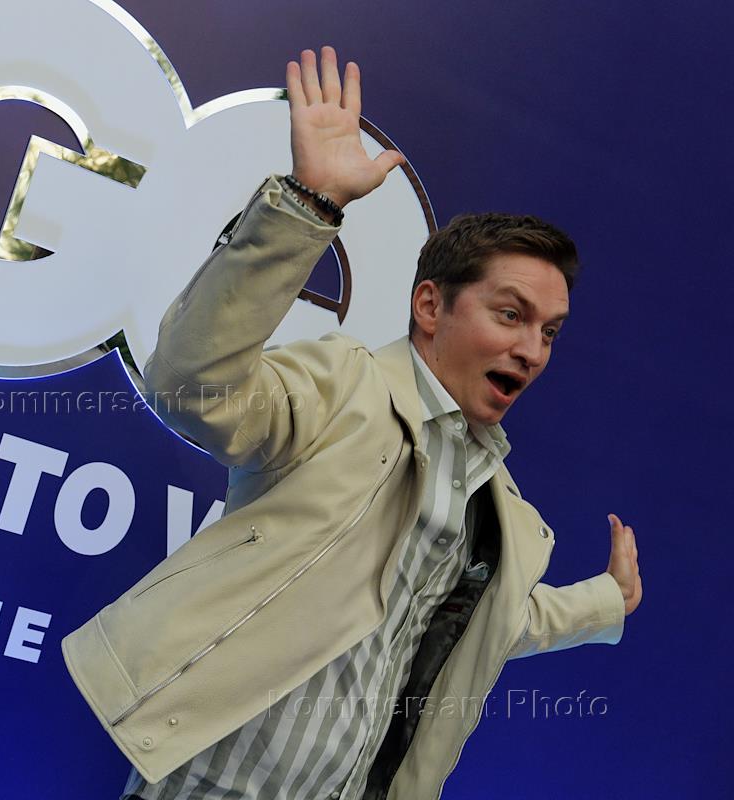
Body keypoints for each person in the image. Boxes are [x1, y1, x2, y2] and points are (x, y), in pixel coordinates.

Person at [62, 46, 643, 800]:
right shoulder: (343, 384)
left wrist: (607, 600)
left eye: (550, 333)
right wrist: (308, 205)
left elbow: (499, 619)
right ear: (430, 306)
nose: (532, 351)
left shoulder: (501, 510)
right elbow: (193, 387)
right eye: (511, 315)